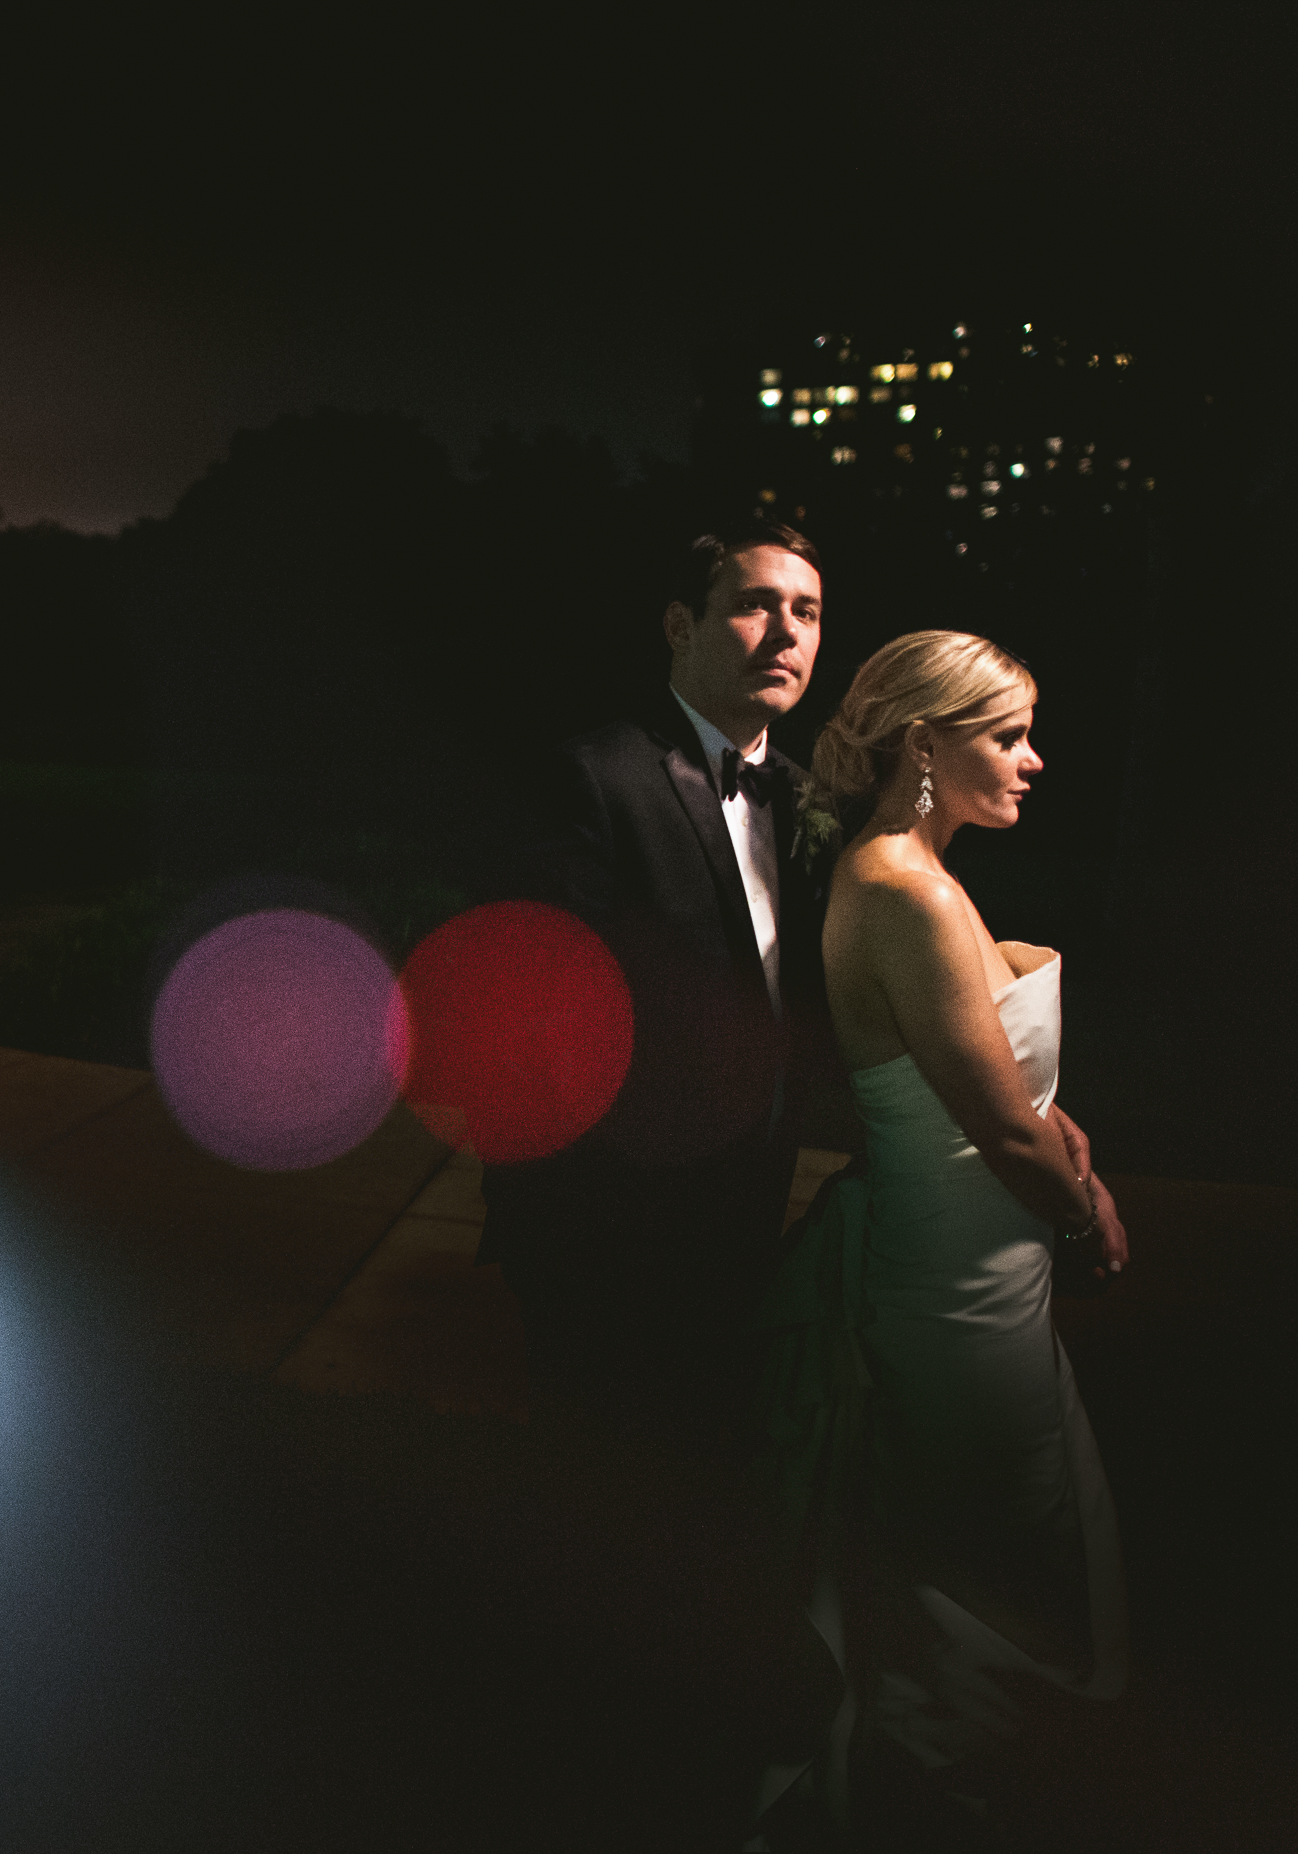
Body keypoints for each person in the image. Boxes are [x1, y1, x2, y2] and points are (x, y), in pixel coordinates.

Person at [478, 521, 843, 1846]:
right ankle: (557, 1756)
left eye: (807, 608)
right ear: (678, 627)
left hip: (740, 1219)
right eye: (753, 603)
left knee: (698, 1477)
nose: (787, 631)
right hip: (605, 1223)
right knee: (590, 1481)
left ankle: (660, 1723)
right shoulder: (591, 777)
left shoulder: (804, 799)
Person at [757, 630, 1130, 1844]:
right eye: (1005, 736)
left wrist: (1068, 1156)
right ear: (925, 743)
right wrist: (1081, 1215)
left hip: (985, 1268)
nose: (1031, 761)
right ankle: (929, 1801)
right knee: (982, 1562)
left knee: (995, 1541)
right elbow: (997, 1131)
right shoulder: (902, 891)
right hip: (954, 1287)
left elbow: (1011, 1098)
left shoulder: (924, 874)